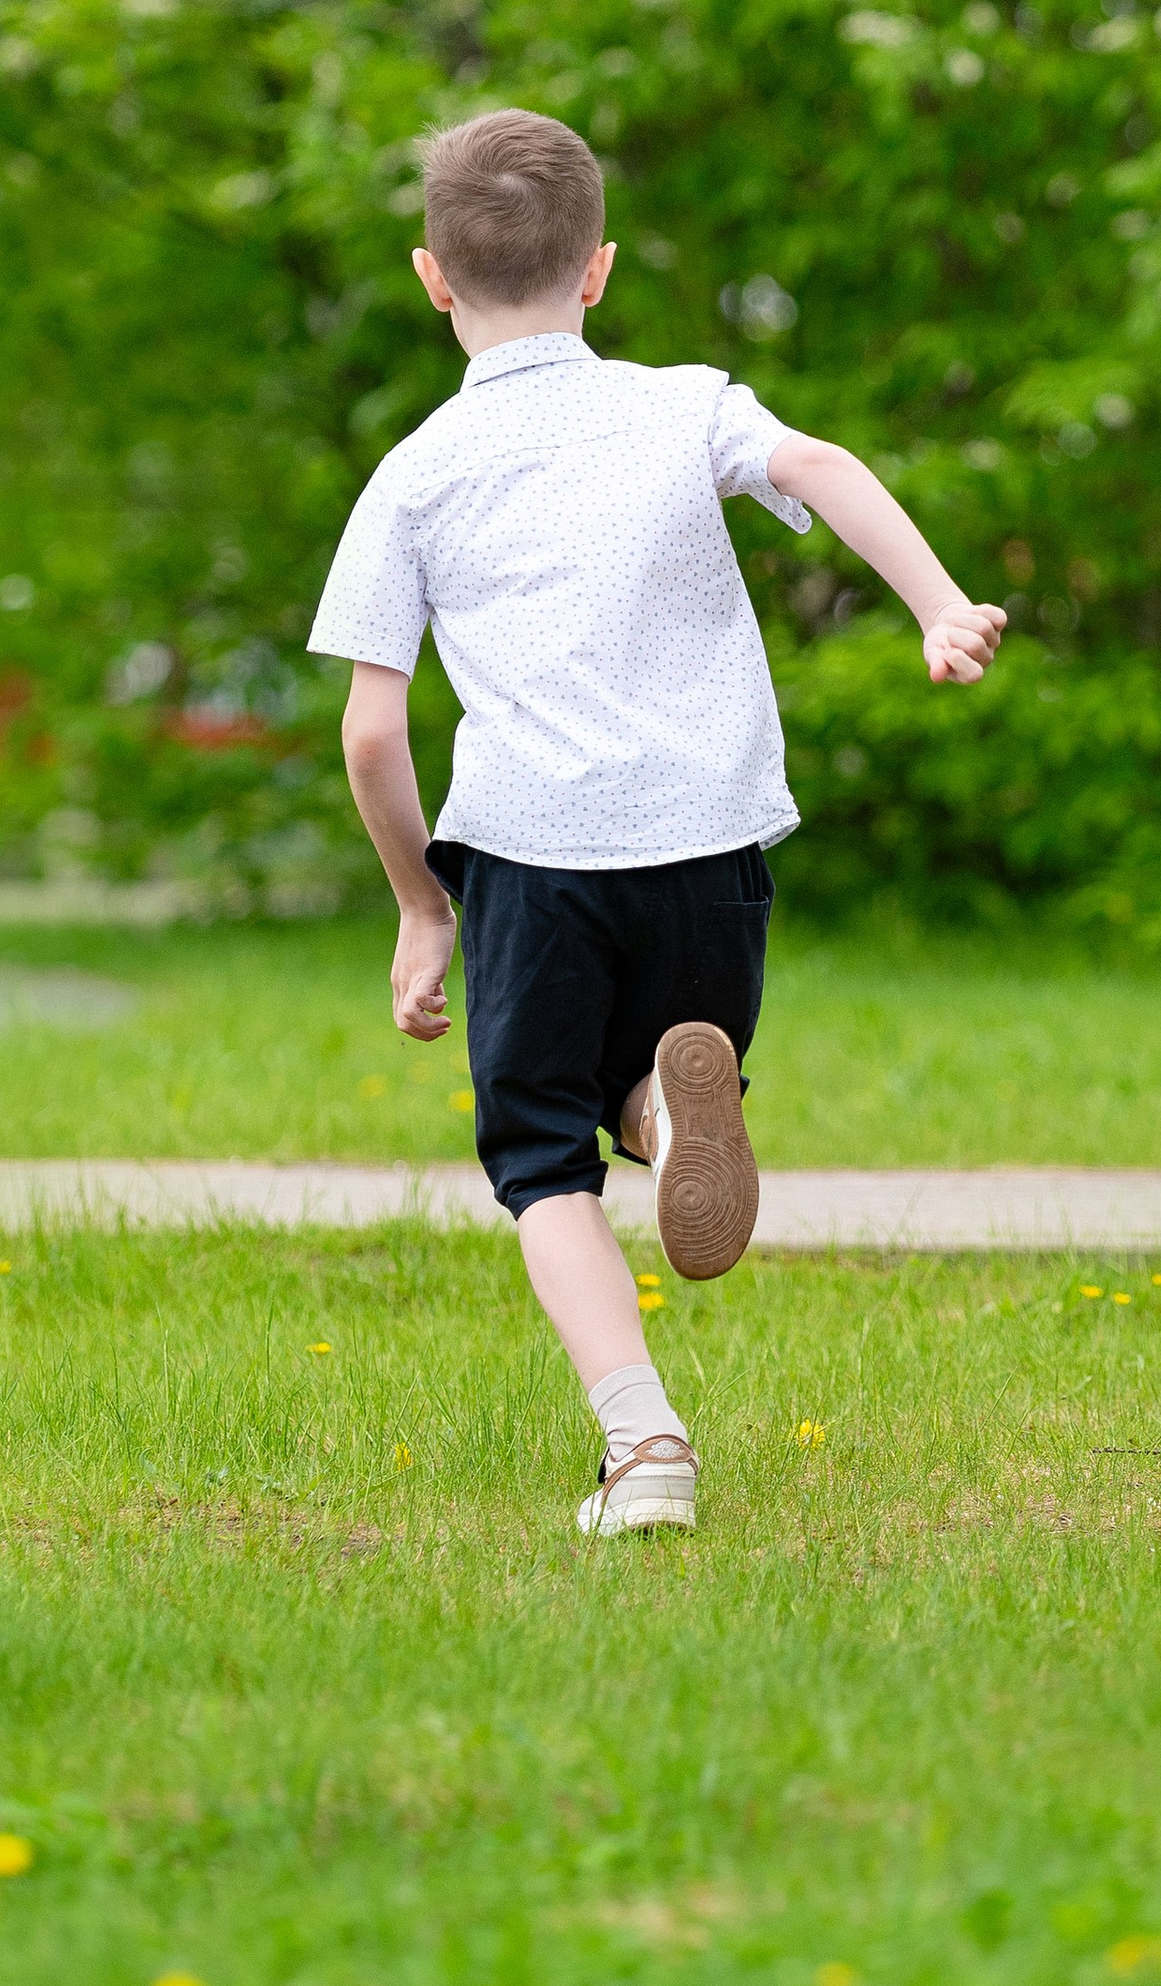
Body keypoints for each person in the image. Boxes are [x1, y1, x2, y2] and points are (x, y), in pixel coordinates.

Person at [312, 108, 1006, 1540]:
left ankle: (647, 1450)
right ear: (600, 272)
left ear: (432, 277)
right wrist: (937, 606)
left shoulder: (417, 474)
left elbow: (373, 733)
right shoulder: (682, 402)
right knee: (632, 1081)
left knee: (536, 1157)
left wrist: (420, 908)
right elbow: (816, 467)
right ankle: (670, 1101)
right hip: (710, 846)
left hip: (531, 856)